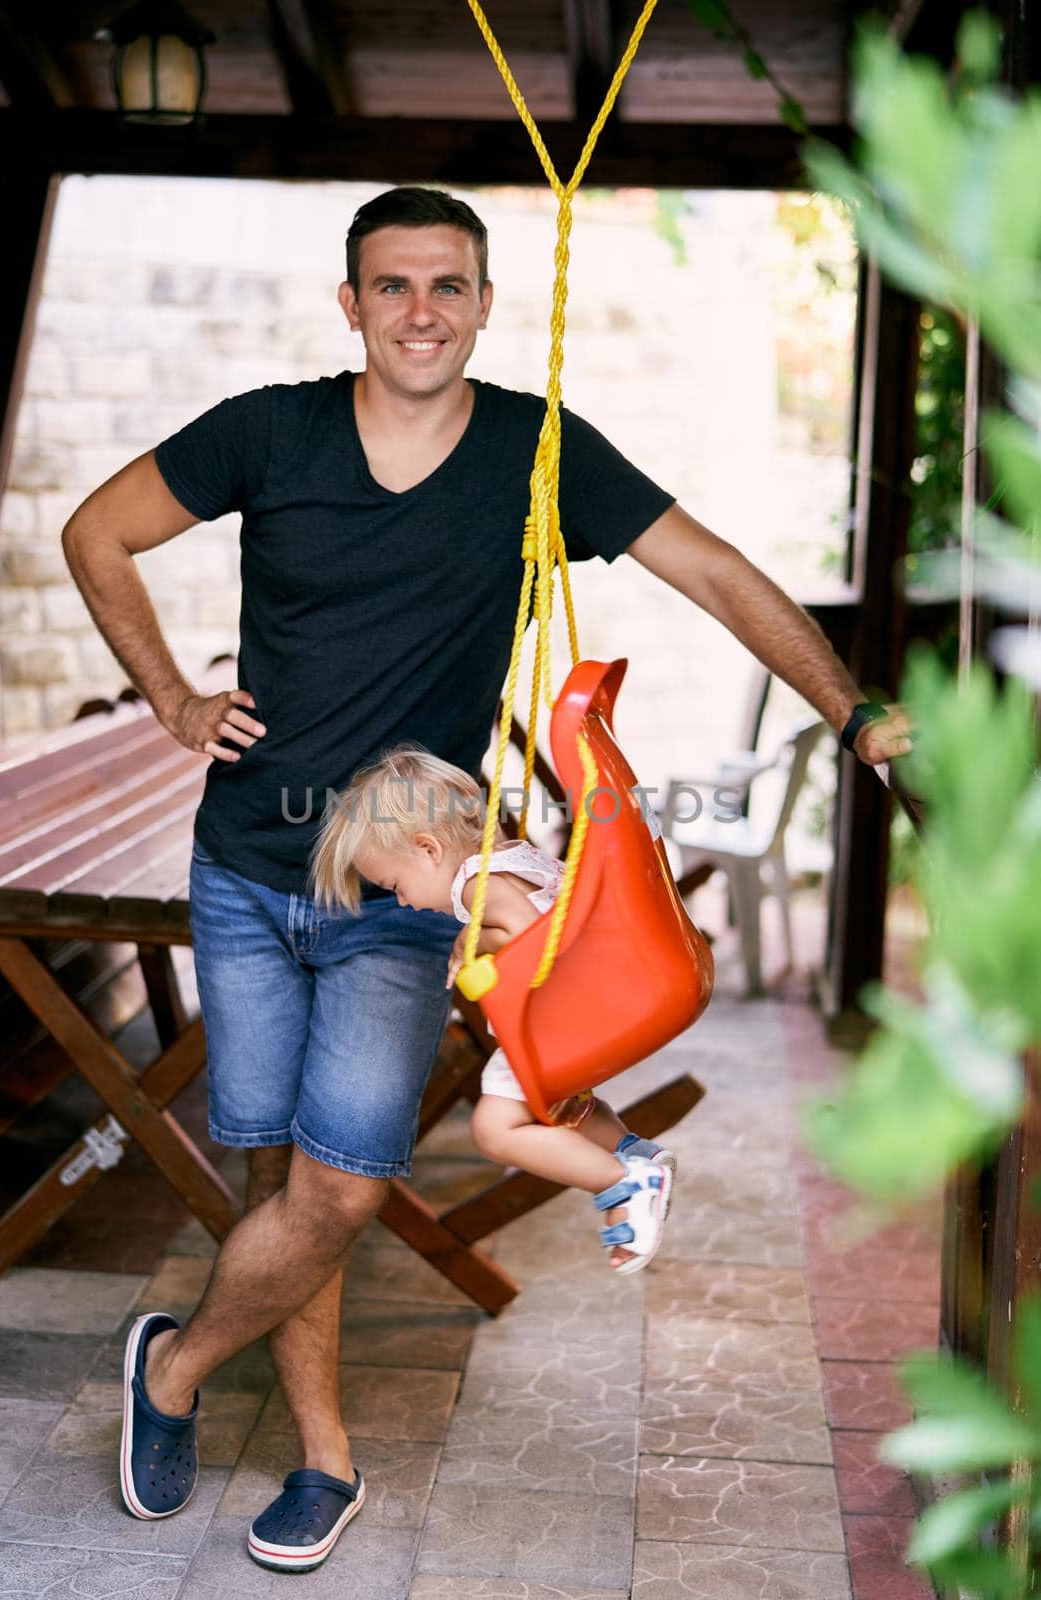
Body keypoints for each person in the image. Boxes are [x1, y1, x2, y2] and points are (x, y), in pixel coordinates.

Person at [60, 185, 911, 1572]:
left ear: (483, 302)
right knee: (276, 1173)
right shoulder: (267, 431)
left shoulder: (533, 449)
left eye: (445, 285)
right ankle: (324, 1458)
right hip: (250, 870)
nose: (418, 312)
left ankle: (169, 1370)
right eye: (390, 286)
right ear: (350, 304)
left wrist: (852, 709)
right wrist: (165, 694)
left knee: (336, 1188)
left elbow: (712, 574)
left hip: (411, 892)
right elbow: (96, 534)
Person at [311, 742, 678, 1275]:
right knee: (559, 1108)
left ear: (428, 849)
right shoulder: (510, 852)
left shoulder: (476, 884)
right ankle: (631, 1151)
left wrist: (474, 939)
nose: (405, 902)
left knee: (495, 1129)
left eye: (395, 885)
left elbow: (536, 938)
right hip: (599, 996)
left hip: (560, 1012)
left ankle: (622, 1182)